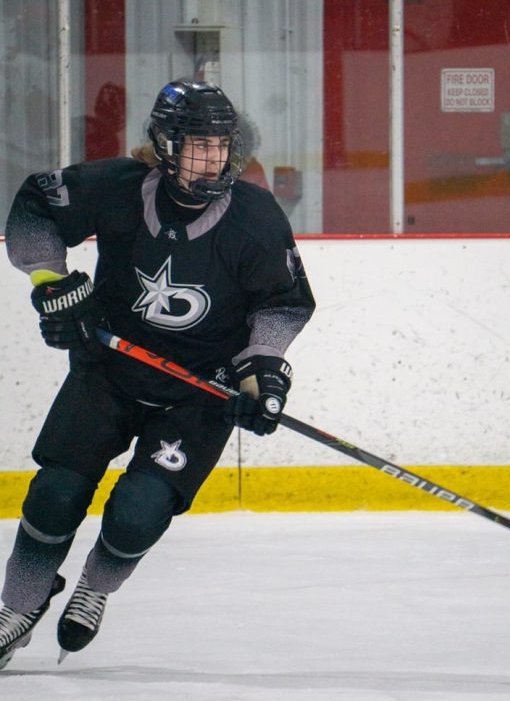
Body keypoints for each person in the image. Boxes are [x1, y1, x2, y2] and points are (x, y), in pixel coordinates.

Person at [0, 79, 315, 668]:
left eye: (222, 146)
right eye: (198, 145)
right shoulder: (120, 188)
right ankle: (19, 605)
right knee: (55, 494)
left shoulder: (254, 218)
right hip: (107, 372)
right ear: (166, 146)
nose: (213, 159)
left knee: (139, 512)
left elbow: (282, 304)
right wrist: (53, 284)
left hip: (199, 395)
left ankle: (94, 587)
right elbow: (35, 206)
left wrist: (262, 378)